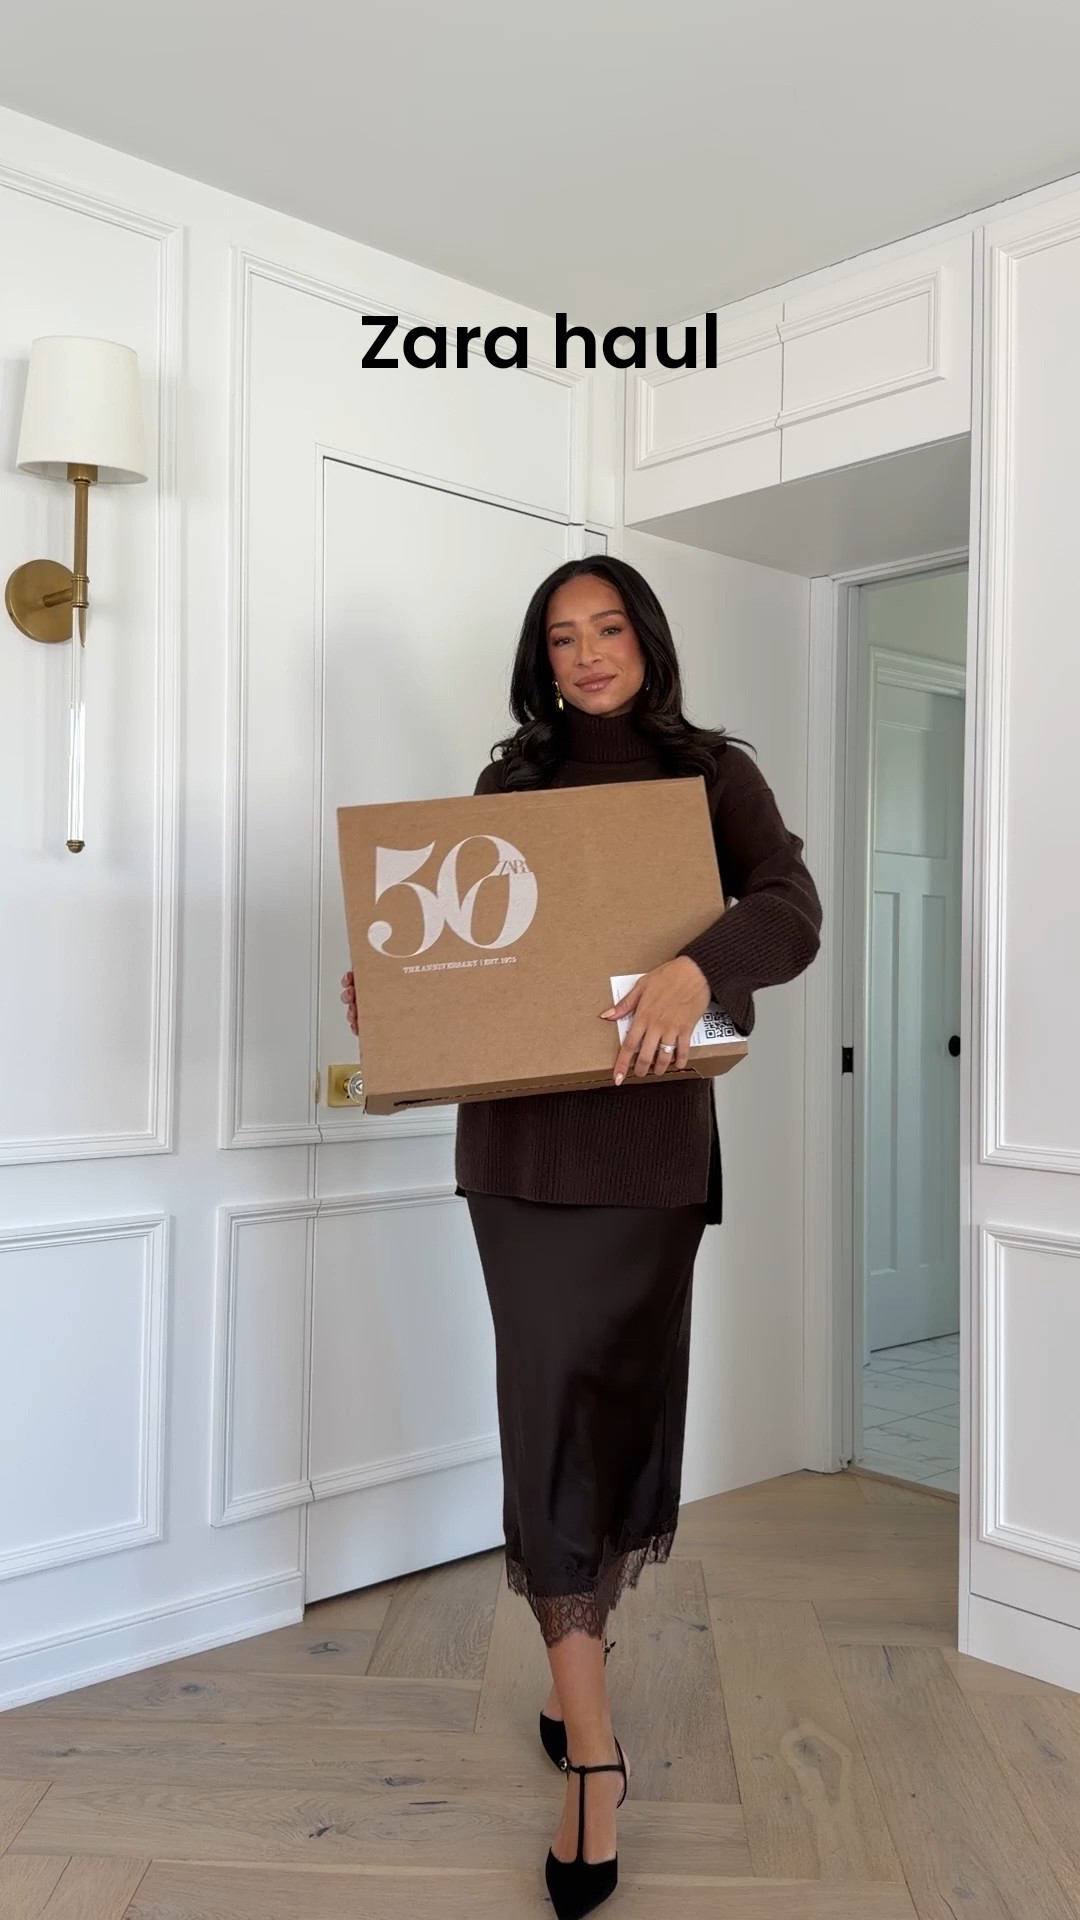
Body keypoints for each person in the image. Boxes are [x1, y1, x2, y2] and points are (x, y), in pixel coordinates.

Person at [341, 556, 821, 1919]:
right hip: (517, 1164)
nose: (589, 651)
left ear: (647, 642)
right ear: (542, 659)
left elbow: (793, 913)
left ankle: (577, 1664)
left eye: (609, 626)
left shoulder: (712, 775)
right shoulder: (510, 786)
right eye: (564, 635)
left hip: (646, 1167)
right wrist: (398, 993)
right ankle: (595, 1752)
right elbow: (475, 961)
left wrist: (698, 961)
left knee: (609, 1430)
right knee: (545, 1423)